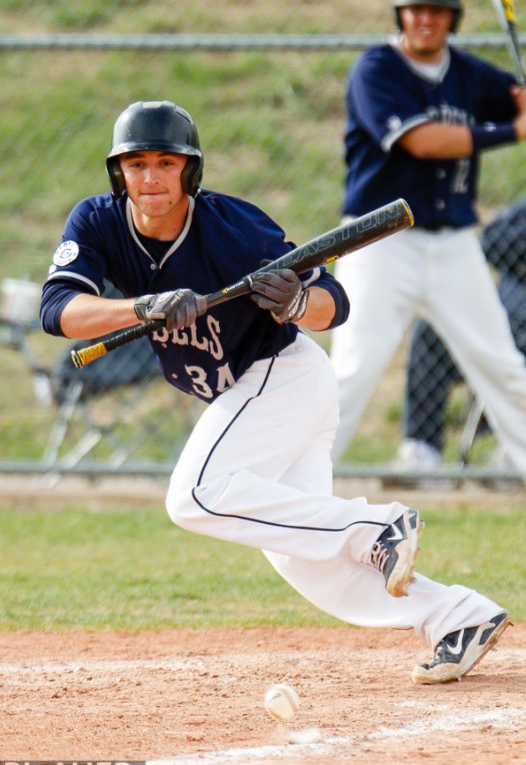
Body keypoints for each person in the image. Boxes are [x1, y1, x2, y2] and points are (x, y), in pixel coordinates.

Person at [40, 98, 510, 684]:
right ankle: (457, 616)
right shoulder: (97, 221)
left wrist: (294, 301)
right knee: (310, 560)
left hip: (280, 375)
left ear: (191, 171)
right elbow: (58, 310)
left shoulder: (234, 230)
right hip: (252, 397)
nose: (151, 178)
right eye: (137, 164)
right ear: (119, 174)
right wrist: (141, 306)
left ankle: (375, 528)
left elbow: (332, 303)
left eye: (166, 163)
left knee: (195, 495)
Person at [329, 0, 526, 483]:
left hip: (454, 244)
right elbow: (424, 141)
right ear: (401, 13)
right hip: (379, 243)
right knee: (353, 369)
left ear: (452, 18)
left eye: (437, 11)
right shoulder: (376, 71)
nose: (426, 19)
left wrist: (520, 102)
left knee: (501, 365)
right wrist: (512, 130)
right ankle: (296, 482)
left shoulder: (468, 74)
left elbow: (511, 97)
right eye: (416, 9)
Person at [398, 198, 526, 468]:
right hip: (496, 319)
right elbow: (493, 240)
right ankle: (423, 450)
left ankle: (516, 447)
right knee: (429, 331)